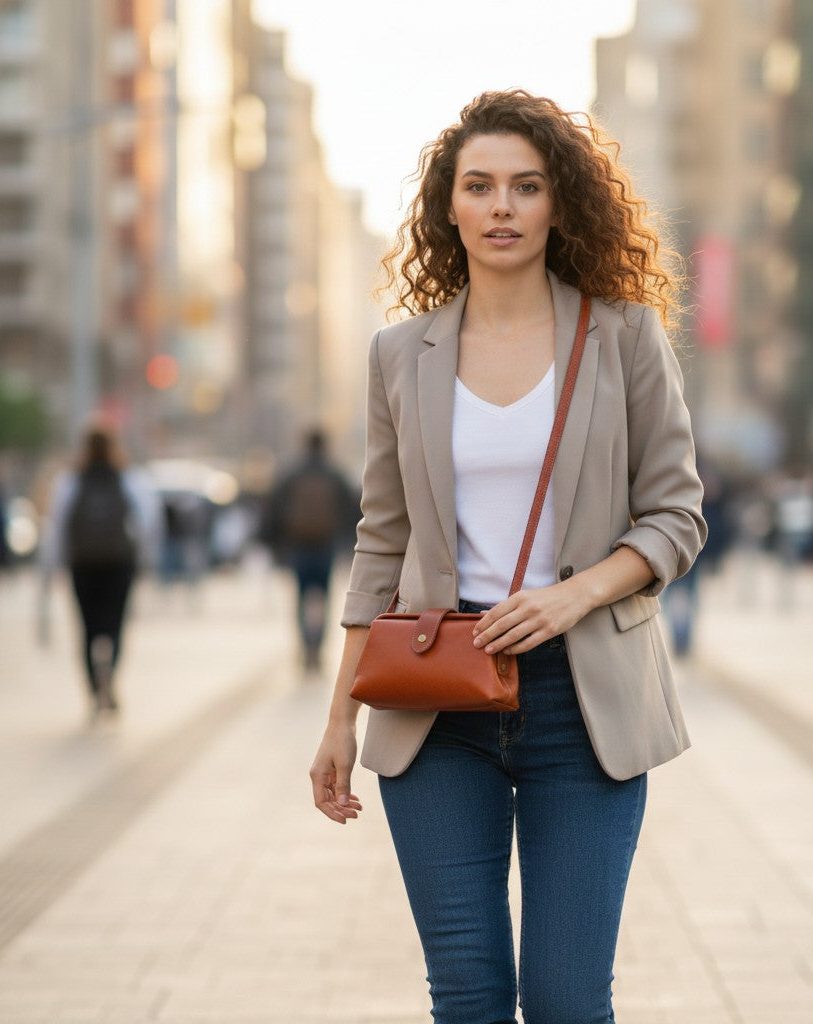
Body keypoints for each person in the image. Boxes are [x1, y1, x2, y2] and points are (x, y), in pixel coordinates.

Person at [309, 90, 706, 1023]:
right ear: (447, 205)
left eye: (525, 187)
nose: (501, 207)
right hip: (435, 700)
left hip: (586, 700)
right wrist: (339, 719)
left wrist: (573, 599)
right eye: (478, 186)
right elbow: (381, 542)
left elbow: (677, 514)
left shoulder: (623, 335)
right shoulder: (400, 355)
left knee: (568, 1000)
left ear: (559, 204)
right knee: (471, 997)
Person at [40, 425, 161, 719]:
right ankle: (111, 674)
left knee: (87, 628)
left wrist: (52, 567)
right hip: (119, 564)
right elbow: (148, 523)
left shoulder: (70, 482)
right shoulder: (129, 479)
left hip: (83, 565)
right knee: (115, 626)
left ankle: (95, 688)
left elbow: (55, 527)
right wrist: (147, 561)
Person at [265, 427, 359, 672]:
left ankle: (305, 648)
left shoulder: (292, 474)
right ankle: (318, 650)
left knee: (300, 597)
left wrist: (276, 544)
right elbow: (351, 509)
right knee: (325, 598)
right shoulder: (334, 473)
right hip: (326, 545)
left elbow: (275, 510)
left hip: (299, 545)